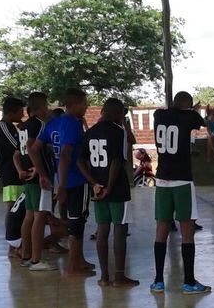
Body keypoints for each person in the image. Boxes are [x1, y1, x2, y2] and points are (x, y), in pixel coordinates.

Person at [151, 91, 210, 294]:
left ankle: (158, 281)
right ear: (188, 105)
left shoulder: (158, 115)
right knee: (187, 231)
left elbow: (172, 114)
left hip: (161, 179)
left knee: (161, 228)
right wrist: (196, 111)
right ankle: (189, 282)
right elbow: (202, 123)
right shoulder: (190, 116)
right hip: (182, 180)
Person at [77, 98, 138, 288]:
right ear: (116, 113)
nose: (122, 118)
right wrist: (109, 187)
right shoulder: (118, 131)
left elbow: (80, 161)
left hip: (97, 190)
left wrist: (94, 183)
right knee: (120, 229)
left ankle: (104, 277)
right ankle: (119, 276)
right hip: (117, 189)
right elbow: (116, 161)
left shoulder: (90, 132)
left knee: (102, 230)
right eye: (121, 114)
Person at [33, 88, 94, 277]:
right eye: (84, 104)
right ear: (73, 104)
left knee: (74, 219)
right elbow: (66, 154)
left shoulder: (53, 123)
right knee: (77, 222)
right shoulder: (72, 124)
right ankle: (73, 265)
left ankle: (79, 260)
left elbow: (34, 149)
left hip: (62, 178)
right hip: (75, 179)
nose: (86, 107)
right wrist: (61, 185)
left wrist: (43, 174)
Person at [17, 91, 60, 271]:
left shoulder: (24, 126)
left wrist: (22, 169)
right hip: (38, 178)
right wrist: (41, 173)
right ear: (40, 107)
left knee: (29, 216)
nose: (48, 109)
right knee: (39, 216)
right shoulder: (40, 125)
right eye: (46, 106)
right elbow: (31, 147)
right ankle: (36, 260)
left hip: (28, 176)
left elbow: (18, 152)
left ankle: (26, 255)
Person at [0, 96, 26, 258]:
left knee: (17, 209)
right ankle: (12, 246)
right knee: (13, 209)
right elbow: (18, 147)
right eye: (20, 112)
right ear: (11, 113)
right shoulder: (4, 127)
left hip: (14, 173)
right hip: (11, 174)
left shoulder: (10, 127)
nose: (22, 115)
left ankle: (18, 243)